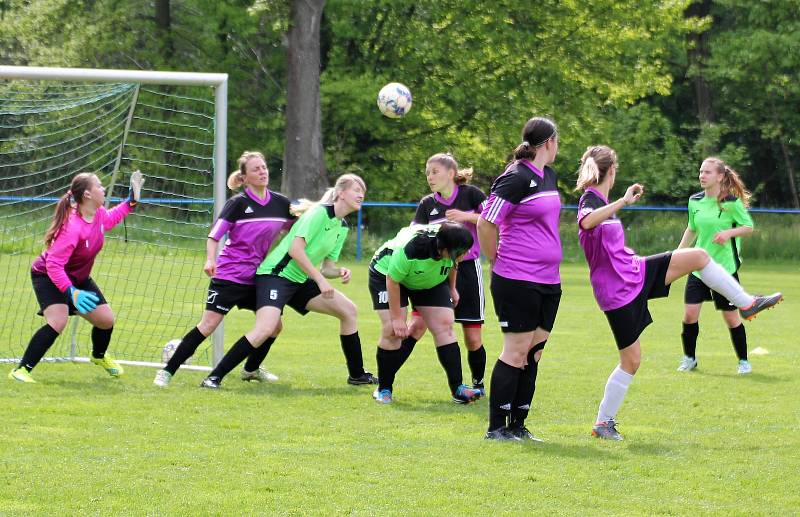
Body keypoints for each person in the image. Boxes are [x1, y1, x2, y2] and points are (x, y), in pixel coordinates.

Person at [575, 145, 783, 441]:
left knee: (698, 256)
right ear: (611, 171)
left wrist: (621, 203)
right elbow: (585, 221)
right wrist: (622, 201)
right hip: (616, 291)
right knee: (631, 360)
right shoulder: (590, 200)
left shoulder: (602, 201)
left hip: (635, 271)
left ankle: (747, 303)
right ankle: (603, 423)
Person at [199, 174, 377, 389]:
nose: (361, 195)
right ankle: (214, 377)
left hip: (300, 279)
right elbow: (295, 250)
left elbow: (327, 267)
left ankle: (357, 375)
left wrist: (339, 272)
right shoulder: (319, 213)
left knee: (349, 311)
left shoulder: (342, 226)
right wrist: (321, 281)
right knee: (266, 328)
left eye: (363, 192)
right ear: (340, 193)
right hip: (275, 275)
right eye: (357, 190)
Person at [153, 151, 293, 387]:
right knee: (208, 325)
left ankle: (251, 370)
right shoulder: (237, 204)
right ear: (245, 177)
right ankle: (167, 371)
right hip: (229, 276)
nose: (262, 172)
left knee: (274, 326)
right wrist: (210, 260)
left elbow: (296, 231)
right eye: (256, 169)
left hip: (258, 278)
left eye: (264, 167)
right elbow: (214, 236)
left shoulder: (281, 204)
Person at [9, 170, 144, 382]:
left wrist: (131, 202)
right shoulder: (72, 227)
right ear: (88, 195)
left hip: (78, 278)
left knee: (106, 320)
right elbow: (53, 265)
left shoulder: (98, 214)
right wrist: (71, 292)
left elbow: (111, 218)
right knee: (58, 322)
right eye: (99, 186)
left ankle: (98, 356)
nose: (103, 189)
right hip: (48, 276)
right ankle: (21, 370)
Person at [477, 117, 563, 442]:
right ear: (548, 142)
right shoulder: (515, 177)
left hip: (549, 280)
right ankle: (496, 427)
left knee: (534, 351)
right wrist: (495, 260)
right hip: (516, 278)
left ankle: (518, 425)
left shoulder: (549, 176)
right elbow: (486, 223)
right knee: (515, 351)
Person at [369, 222, 482, 404]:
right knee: (392, 330)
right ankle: (384, 388)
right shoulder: (412, 249)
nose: (465, 255)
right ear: (445, 249)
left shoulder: (449, 246)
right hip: (387, 275)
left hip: (427, 279)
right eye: (461, 252)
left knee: (445, 324)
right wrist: (398, 319)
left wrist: (452, 288)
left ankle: (458, 389)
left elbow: (454, 263)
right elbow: (392, 280)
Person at [408, 153, 488, 394]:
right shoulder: (427, 204)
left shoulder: (471, 195)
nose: (430, 177)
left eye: (435, 172)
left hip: (467, 269)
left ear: (451, 174)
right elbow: (414, 233)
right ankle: (386, 381)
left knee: (472, 337)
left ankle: (478, 385)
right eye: (427, 173)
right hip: (435, 271)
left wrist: (466, 217)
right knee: (416, 327)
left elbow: (493, 219)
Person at [676, 157, 758, 375]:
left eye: (707, 172)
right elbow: (692, 228)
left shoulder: (731, 202)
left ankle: (743, 362)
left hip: (724, 269)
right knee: (689, 315)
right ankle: (689, 358)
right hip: (698, 267)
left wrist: (728, 233)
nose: (702, 176)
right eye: (701, 172)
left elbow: (748, 227)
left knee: (731, 318)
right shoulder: (694, 201)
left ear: (720, 176)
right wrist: (678, 253)